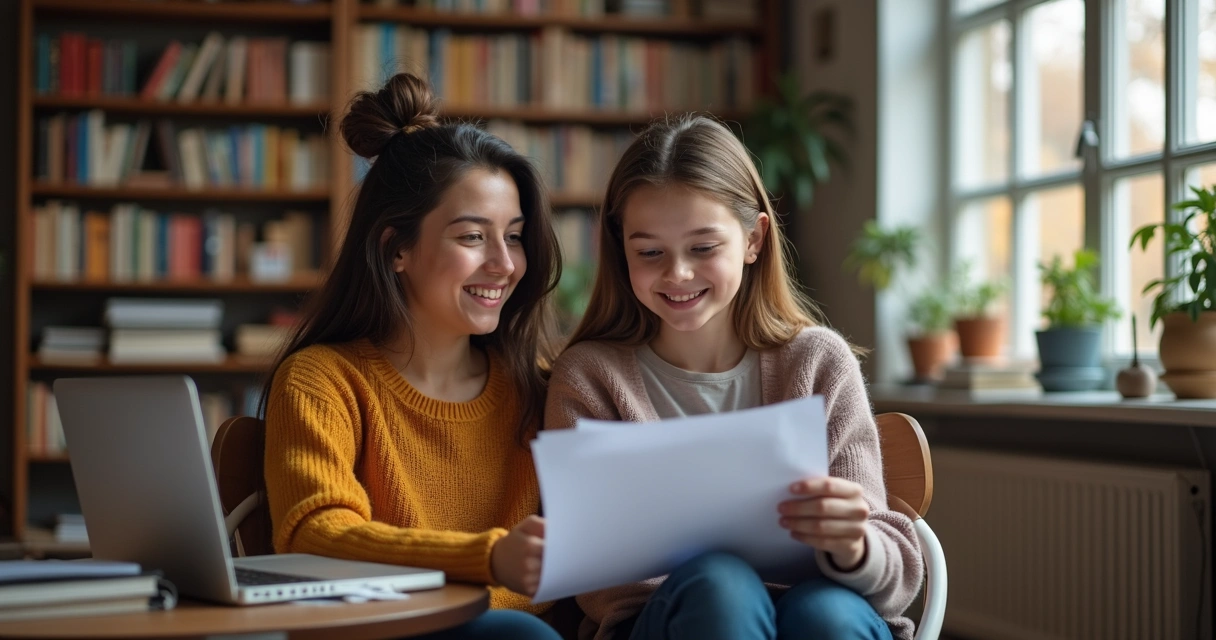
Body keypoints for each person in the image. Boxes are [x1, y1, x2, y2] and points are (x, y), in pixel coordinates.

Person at [544, 115, 923, 640]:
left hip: (822, 611)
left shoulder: (817, 363)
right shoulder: (590, 378)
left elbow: (897, 577)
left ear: (753, 239)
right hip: (670, 620)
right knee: (721, 588)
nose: (677, 273)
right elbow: (596, 580)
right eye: (649, 252)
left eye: (703, 247)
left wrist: (856, 547)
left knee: (825, 614)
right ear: (621, 249)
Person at [262, 72, 563, 640]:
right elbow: (314, 531)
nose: (504, 264)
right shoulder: (322, 381)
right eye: (472, 237)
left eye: (514, 236)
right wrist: (488, 559)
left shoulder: (543, 389)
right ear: (396, 247)